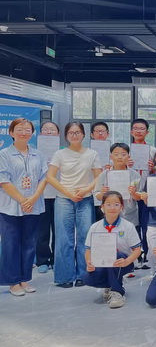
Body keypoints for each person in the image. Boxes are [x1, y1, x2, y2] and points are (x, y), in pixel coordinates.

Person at [46, 122, 102, 288]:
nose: (74, 135)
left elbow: (99, 177)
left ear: (83, 134)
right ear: (66, 136)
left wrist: (85, 190)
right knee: (64, 238)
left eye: (78, 132)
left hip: (85, 199)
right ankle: (64, 277)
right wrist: (69, 193)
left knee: (85, 237)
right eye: (71, 132)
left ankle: (84, 275)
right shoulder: (60, 154)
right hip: (64, 199)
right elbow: (50, 177)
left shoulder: (92, 154)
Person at [0, 118, 48, 296]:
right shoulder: (4, 154)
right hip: (10, 206)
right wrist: (22, 200)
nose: (24, 133)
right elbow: (3, 180)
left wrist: (33, 199)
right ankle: (13, 281)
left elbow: (44, 178)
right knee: (10, 244)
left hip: (33, 206)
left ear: (32, 133)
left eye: (28, 130)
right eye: (19, 129)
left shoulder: (38, 154)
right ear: (11, 133)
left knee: (29, 243)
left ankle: (25, 278)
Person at [83, 191, 141, 308]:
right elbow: (88, 250)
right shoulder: (95, 227)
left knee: (116, 256)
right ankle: (110, 285)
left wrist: (127, 261)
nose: (112, 208)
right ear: (102, 207)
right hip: (102, 262)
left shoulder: (128, 226)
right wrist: (89, 262)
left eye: (116, 204)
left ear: (121, 207)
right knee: (87, 277)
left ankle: (117, 292)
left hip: (123, 262)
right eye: (108, 204)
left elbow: (137, 250)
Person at [128, 118, 156, 269]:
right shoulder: (126, 150)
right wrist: (126, 164)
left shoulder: (153, 150)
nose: (138, 131)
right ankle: (134, 254)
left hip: (146, 192)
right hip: (129, 192)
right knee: (132, 224)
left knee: (145, 224)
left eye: (142, 129)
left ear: (147, 132)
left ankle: (146, 253)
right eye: (136, 129)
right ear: (131, 131)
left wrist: (153, 168)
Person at [94, 143, 143, 226]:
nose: (119, 157)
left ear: (128, 157)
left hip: (129, 215)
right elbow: (97, 195)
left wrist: (133, 193)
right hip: (109, 215)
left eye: (123, 154)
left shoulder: (135, 175)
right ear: (111, 157)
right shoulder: (104, 174)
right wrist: (102, 194)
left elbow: (139, 196)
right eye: (116, 154)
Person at [36, 121, 61, 274]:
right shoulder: (35, 153)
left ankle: (57, 259)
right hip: (41, 195)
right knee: (42, 231)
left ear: (58, 134)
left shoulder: (63, 152)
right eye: (46, 129)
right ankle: (42, 260)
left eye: (52, 130)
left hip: (59, 195)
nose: (49, 132)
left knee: (59, 230)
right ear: (40, 133)